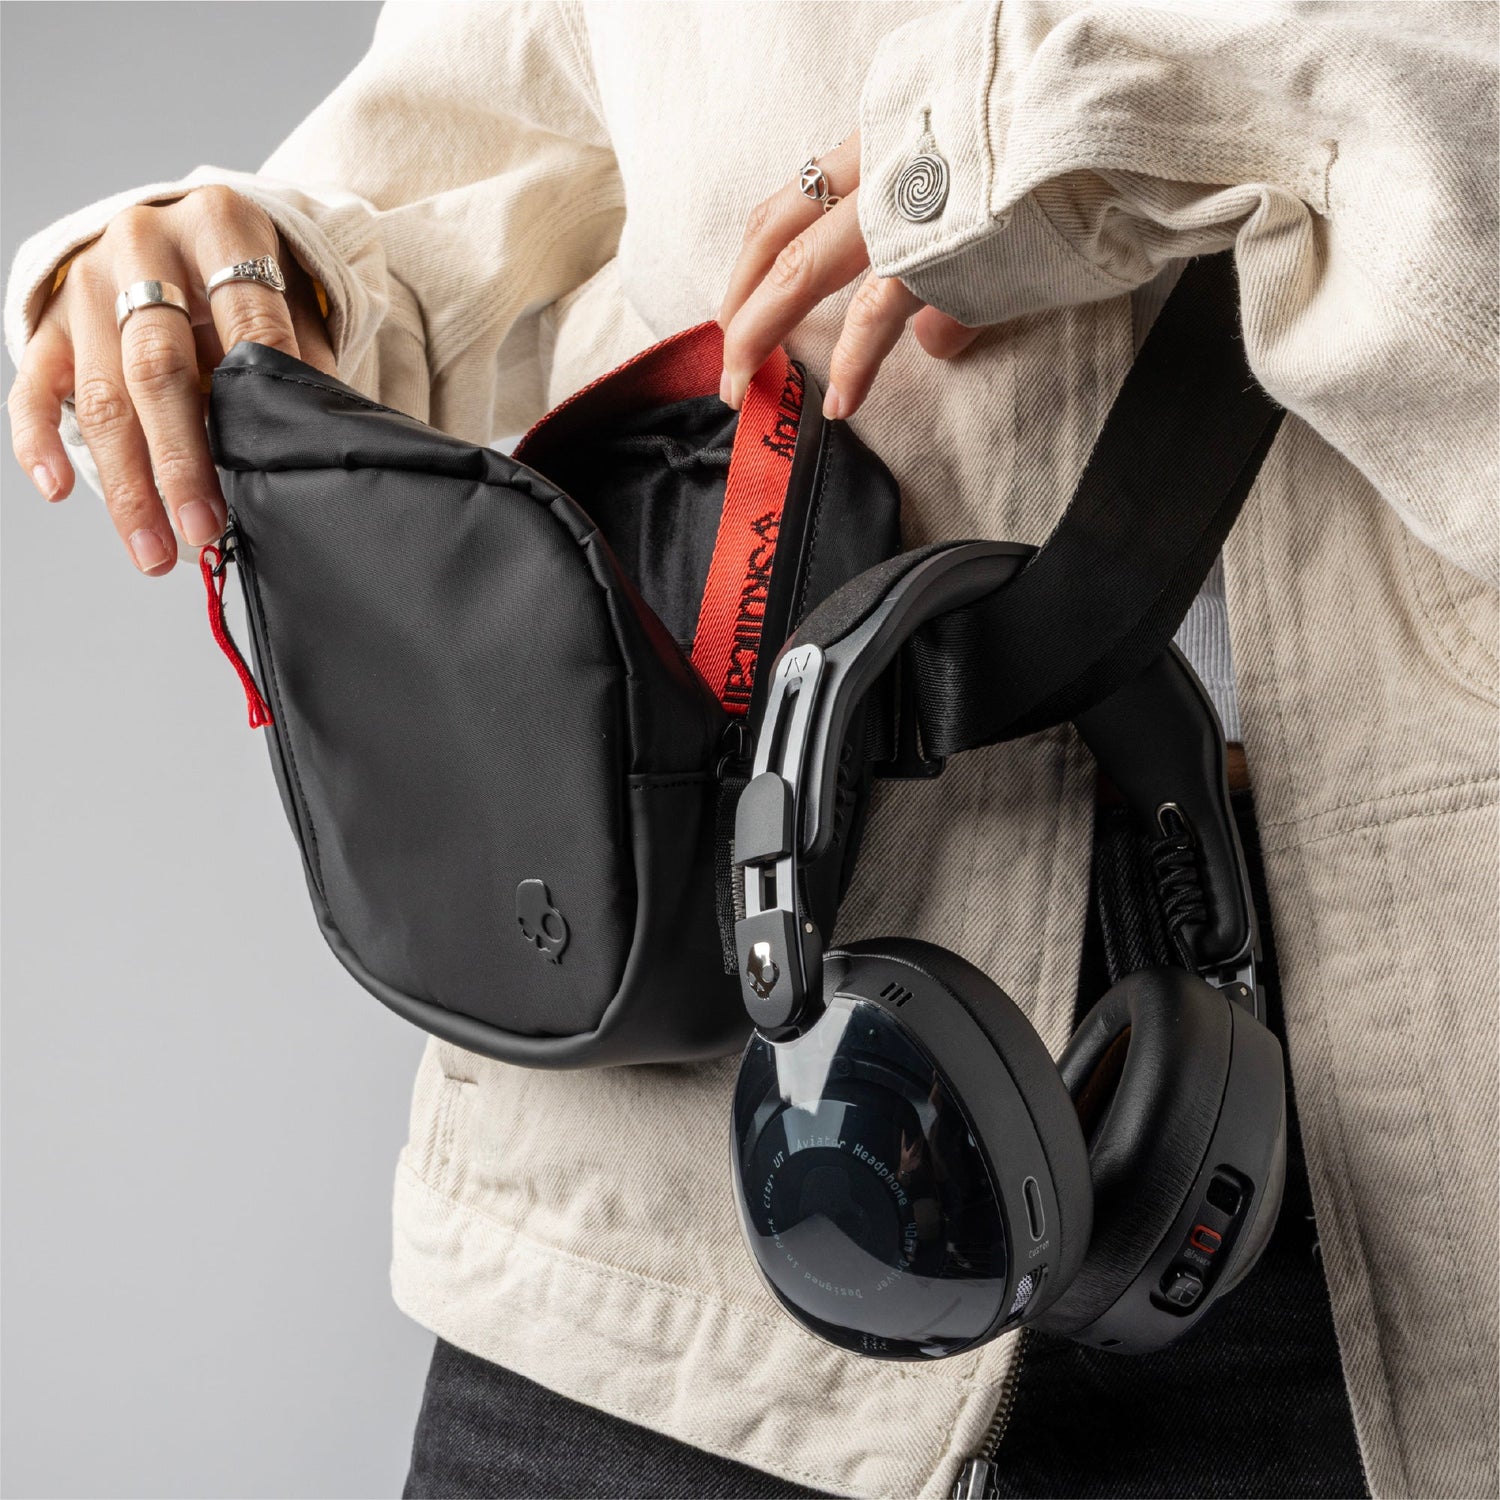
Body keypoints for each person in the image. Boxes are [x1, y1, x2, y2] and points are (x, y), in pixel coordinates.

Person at [6, 4, 1496, 1496]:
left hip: (1408, 1158)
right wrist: (239, 270)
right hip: (665, 1196)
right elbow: (420, 228)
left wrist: (1112, 121)